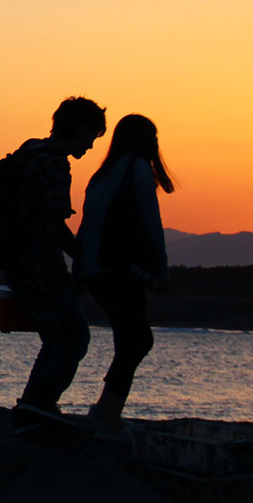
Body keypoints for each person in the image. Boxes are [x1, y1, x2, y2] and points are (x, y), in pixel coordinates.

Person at [5, 96, 108, 431]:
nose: (91, 145)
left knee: (55, 338)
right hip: (41, 267)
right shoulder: (55, 164)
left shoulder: (29, 151)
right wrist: (83, 256)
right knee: (75, 337)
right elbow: (52, 226)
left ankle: (33, 405)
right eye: (91, 136)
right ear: (78, 129)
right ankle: (40, 404)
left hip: (18, 265)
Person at [76, 114, 174, 439]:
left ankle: (106, 411)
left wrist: (81, 270)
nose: (157, 144)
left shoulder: (102, 174)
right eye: (154, 137)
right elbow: (151, 223)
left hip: (98, 270)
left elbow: (88, 225)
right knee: (137, 340)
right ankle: (107, 415)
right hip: (123, 271)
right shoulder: (138, 170)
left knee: (130, 339)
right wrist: (160, 268)